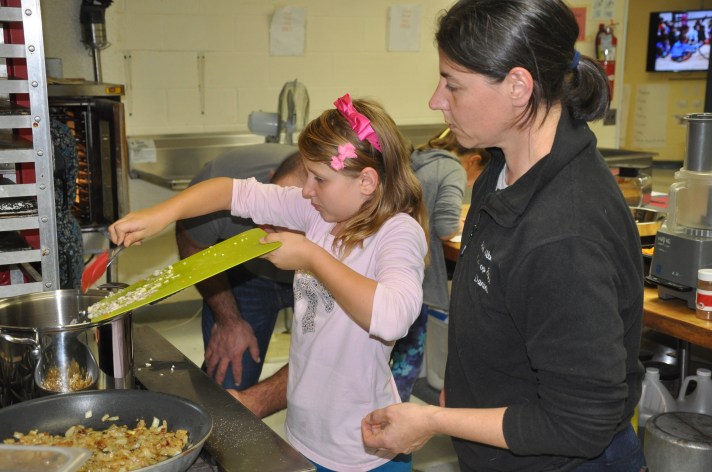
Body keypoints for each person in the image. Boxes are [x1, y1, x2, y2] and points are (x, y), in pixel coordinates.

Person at [362, 1, 647, 471]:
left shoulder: (565, 234)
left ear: (518, 87)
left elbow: (578, 422)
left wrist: (434, 419)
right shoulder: (503, 165)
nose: (436, 100)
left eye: (453, 84)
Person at [109, 94, 428, 472]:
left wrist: (311, 256)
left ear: (366, 181)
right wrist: (161, 214)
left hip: (362, 451)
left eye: (319, 179)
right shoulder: (320, 213)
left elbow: (392, 317)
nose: (307, 190)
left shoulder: (398, 233)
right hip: (304, 435)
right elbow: (232, 191)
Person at [175, 144, 305, 390]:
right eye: (276, 205)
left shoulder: (349, 206)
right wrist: (228, 321)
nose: (273, 225)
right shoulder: (221, 176)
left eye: (292, 217)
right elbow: (193, 245)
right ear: (266, 184)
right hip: (247, 277)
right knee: (230, 379)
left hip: (317, 279)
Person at [390, 128, 466, 401]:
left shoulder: (418, 158)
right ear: (475, 160)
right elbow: (446, 226)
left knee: (385, 357)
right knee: (406, 361)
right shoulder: (452, 169)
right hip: (417, 276)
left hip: (389, 268)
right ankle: (393, 432)